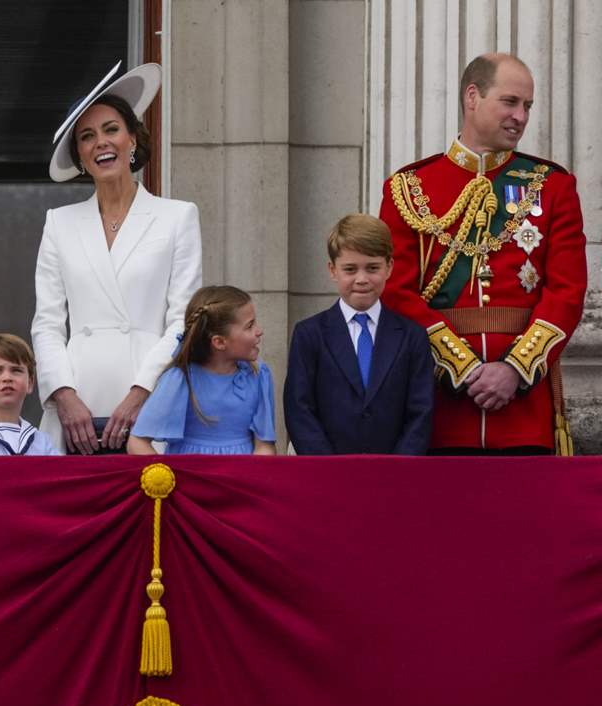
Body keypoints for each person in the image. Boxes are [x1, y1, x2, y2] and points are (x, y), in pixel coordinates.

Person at [378, 53, 587, 455]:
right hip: (440, 408)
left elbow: (567, 292)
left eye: (527, 106)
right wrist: (463, 367)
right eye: (510, 102)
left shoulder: (552, 186)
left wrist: (514, 369)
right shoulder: (408, 188)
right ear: (472, 97)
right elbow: (395, 292)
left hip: (524, 411)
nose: (521, 116)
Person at [33, 62, 202, 455]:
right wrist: (63, 395)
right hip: (77, 404)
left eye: (111, 130)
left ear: (132, 140)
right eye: (87, 136)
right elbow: (47, 324)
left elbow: (184, 319)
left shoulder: (177, 217)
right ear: (79, 155)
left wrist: (143, 392)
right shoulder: (59, 223)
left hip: (151, 399)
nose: (101, 143)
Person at [283, 214, 433, 454]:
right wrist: (327, 467)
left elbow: (421, 411)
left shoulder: (412, 336)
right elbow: (299, 409)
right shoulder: (309, 334)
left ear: (389, 267)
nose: (362, 279)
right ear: (333, 270)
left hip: (394, 469)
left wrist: (399, 467)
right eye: (350, 269)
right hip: (328, 469)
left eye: (372, 268)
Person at [127, 286, 275, 456]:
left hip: (241, 471)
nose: (259, 331)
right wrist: (164, 471)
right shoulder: (180, 379)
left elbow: (265, 446)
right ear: (219, 342)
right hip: (189, 472)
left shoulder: (259, 375)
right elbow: (137, 442)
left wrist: (250, 472)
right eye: (249, 326)